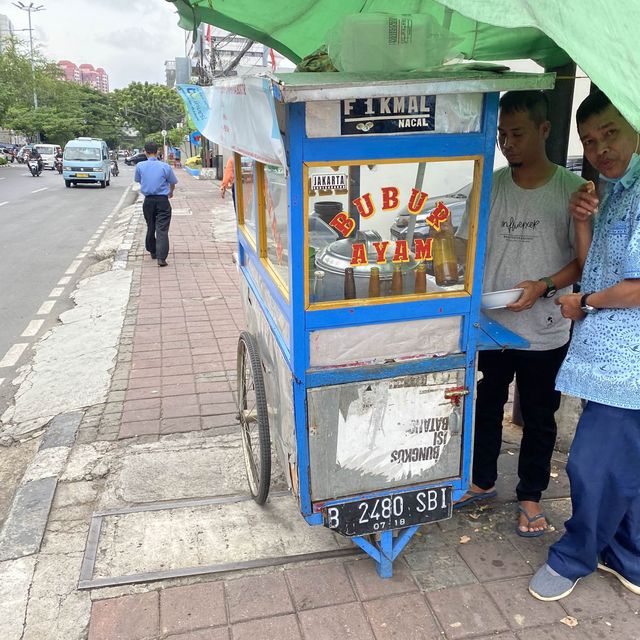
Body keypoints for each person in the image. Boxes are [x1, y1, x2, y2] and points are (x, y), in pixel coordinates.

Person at [455, 91, 583, 536]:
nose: (507, 143)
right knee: (486, 404)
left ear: (545, 130)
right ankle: (482, 480)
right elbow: (468, 244)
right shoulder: (490, 185)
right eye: (501, 135)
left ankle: (530, 495)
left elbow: (584, 263)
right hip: (493, 324)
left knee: (540, 414)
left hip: (544, 327)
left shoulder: (571, 191)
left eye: (517, 134)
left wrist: (544, 285)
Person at [529, 91, 640, 601]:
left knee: (591, 463)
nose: (600, 149)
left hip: (628, 363)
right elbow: (595, 261)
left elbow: (637, 288)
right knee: (626, 462)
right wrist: (580, 220)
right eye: (591, 142)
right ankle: (629, 554)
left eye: (610, 133)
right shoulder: (617, 189)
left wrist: (586, 303)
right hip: (607, 357)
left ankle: (576, 556)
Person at [134, 141, 178, 267]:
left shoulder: (140, 166)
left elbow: (138, 180)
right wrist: (171, 192)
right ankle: (161, 258)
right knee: (162, 229)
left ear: (144, 151)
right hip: (162, 200)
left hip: (148, 201)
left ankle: (152, 251)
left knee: (151, 225)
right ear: (157, 151)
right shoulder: (165, 166)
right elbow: (173, 182)